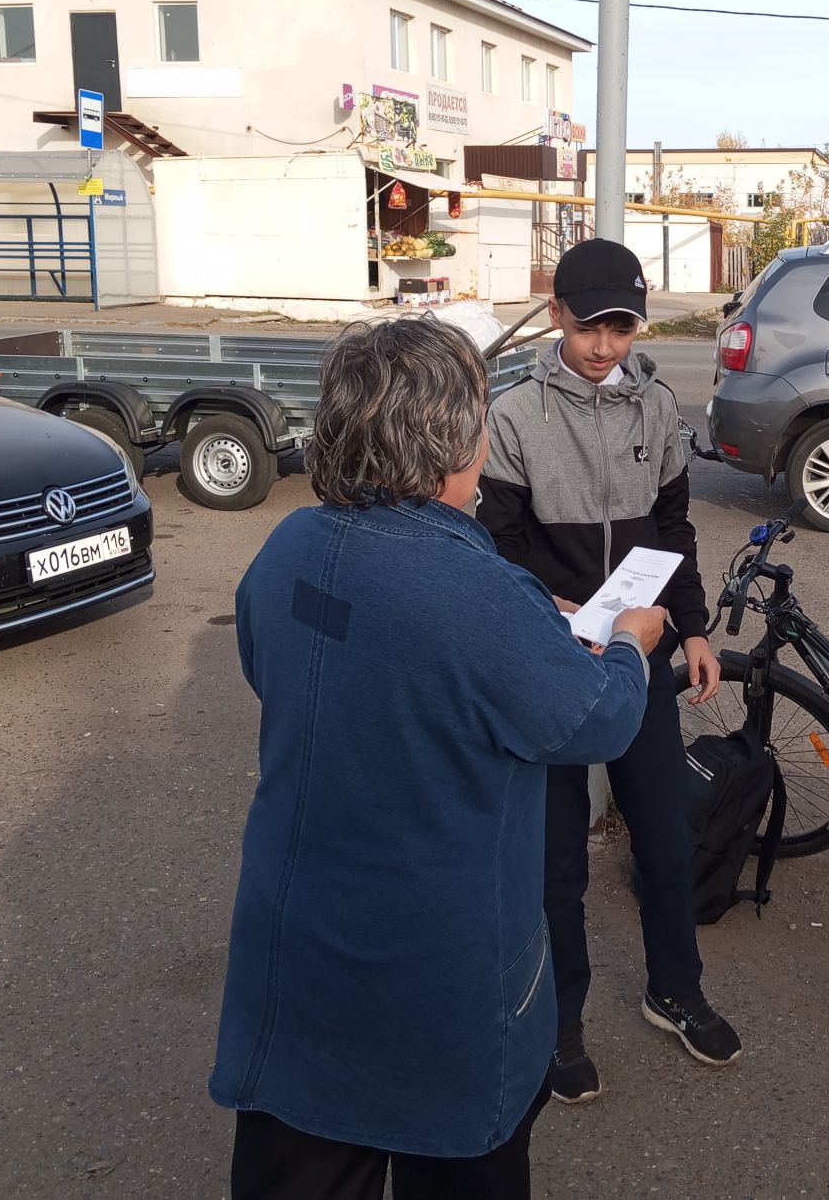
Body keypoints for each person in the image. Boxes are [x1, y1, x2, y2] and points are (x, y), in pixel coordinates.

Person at [210, 318, 663, 1200]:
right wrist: (630, 644)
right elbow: (595, 722)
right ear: (456, 440)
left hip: (297, 949)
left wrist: (523, 628)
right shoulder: (476, 590)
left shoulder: (288, 548)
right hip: (433, 975)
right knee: (459, 1160)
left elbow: (286, 666)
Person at [479, 237, 742, 1104]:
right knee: (556, 859)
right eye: (591, 326)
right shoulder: (513, 418)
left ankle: (677, 989)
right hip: (551, 662)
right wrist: (545, 615)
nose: (605, 345)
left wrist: (694, 629)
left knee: (666, 836)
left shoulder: (659, 410)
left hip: (639, 657)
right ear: (556, 317)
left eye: (622, 327)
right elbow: (501, 548)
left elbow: (675, 532)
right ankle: (558, 1022)